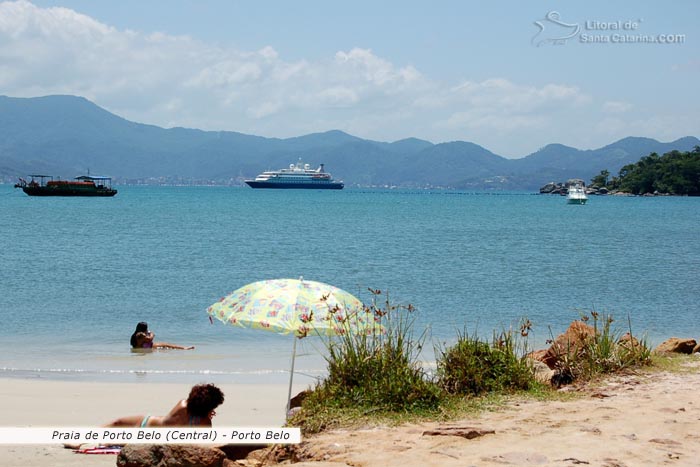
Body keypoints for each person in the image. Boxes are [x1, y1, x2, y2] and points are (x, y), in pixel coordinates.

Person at [105, 383, 225, 427]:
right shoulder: (204, 422)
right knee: (117, 426)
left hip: (148, 424)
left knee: (116, 423)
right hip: (150, 430)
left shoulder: (183, 404)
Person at [130, 321, 194, 350]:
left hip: (142, 347)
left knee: (166, 346)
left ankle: (183, 348)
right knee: (167, 345)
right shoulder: (141, 334)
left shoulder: (135, 334)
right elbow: (150, 339)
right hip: (146, 347)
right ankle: (184, 348)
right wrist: (152, 333)